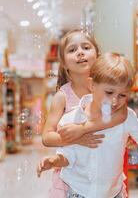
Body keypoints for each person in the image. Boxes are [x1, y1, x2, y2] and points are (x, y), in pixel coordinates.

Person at [38, 53, 138, 198]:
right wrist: (55, 161)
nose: (115, 101)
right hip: (78, 191)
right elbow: (69, 154)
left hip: (113, 192)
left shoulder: (127, 117)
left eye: (122, 95)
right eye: (109, 92)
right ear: (92, 85)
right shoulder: (72, 119)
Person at [41, 29, 128, 197]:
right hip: (73, 178)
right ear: (64, 64)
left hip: (106, 174)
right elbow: (47, 137)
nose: (80, 52)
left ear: (98, 55)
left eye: (86, 47)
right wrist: (77, 138)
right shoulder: (62, 97)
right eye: (72, 50)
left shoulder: (109, 89)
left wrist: (82, 129)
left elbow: (122, 114)